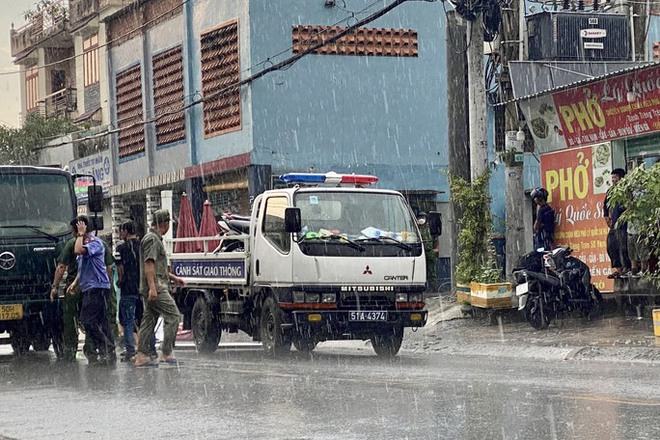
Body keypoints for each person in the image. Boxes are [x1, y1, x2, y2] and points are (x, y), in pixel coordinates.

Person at [133, 209, 186, 367]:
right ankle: (166, 352)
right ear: (165, 223)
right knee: (174, 315)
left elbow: (157, 267)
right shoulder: (152, 240)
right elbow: (149, 264)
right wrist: (152, 288)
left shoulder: (153, 238)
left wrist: (174, 278)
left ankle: (141, 355)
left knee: (149, 319)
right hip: (156, 286)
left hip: (155, 284)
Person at [66, 216, 116, 366]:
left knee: (86, 320)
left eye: (73, 230)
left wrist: (81, 234)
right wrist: (75, 284)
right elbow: (83, 268)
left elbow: (78, 251)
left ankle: (105, 346)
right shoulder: (85, 242)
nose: (72, 234)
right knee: (101, 320)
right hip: (90, 287)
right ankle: (110, 349)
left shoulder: (95, 243)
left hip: (98, 287)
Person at [116, 220, 143, 362]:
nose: (119, 234)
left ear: (126, 231)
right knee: (144, 320)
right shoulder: (142, 246)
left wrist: (120, 281)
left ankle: (130, 350)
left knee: (127, 321)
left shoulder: (120, 248)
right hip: (141, 289)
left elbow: (120, 269)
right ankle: (148, 349)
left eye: (121, 231)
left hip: (128, 289)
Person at [604, 168, 630, 278]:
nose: (613, 180)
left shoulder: (626, 190)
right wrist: (606, 217)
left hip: (624, 223)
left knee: (623, 247)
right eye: (612, 178)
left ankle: (626, 268)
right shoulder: (611, 191)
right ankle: (618, 269)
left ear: (621, 178)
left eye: (615, 178)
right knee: (611, 245)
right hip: (614, 223)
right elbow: (605, 205)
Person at [417, 211, 438, 291]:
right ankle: (423, 289)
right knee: (421, 271)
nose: (421, 219)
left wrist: (436, 248)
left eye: (423, 217)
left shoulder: (430, 227)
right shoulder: (416, 228)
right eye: (420, 217)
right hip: (420, 252)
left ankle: (434, 289)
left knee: (432, 270)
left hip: (429, 251)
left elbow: (435, 238)